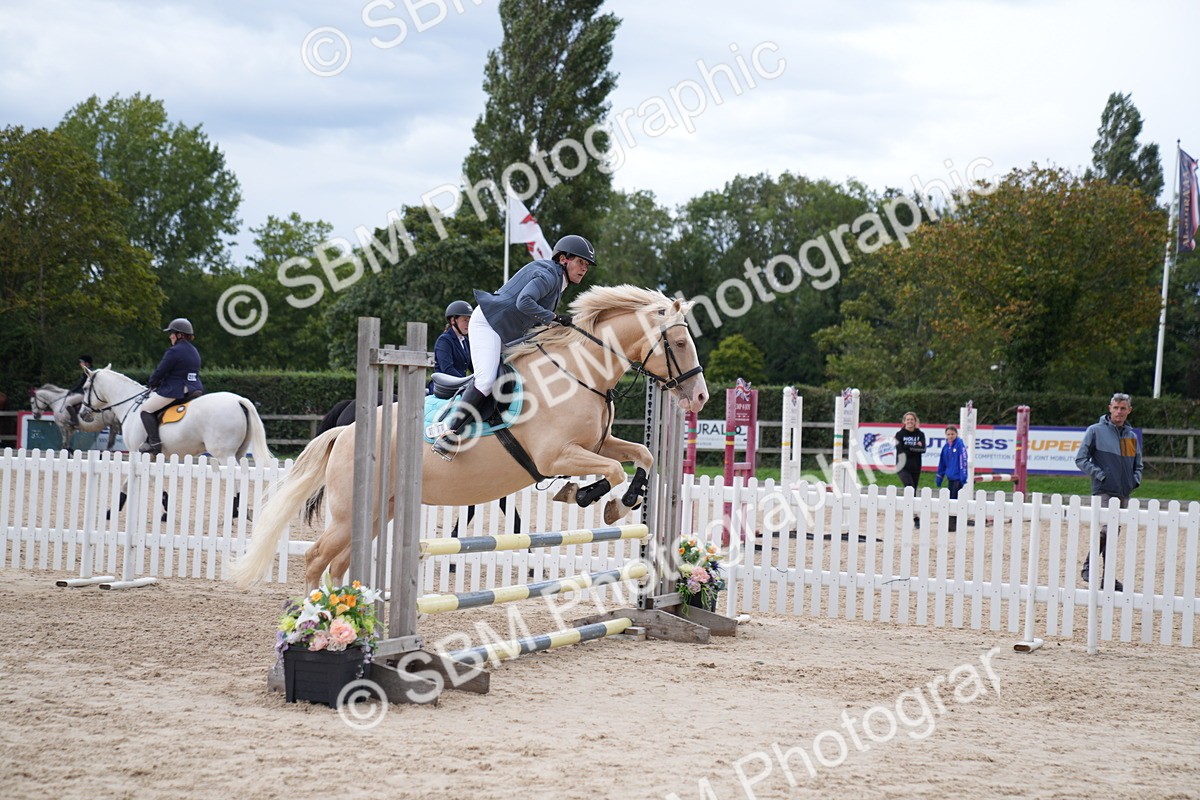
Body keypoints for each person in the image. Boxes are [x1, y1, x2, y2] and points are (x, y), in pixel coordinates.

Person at [432, 234, 596, 460]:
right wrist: (555, 317)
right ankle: (450, 432)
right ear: (563, 259)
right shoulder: (549, 275)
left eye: (587, 265)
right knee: (486, 380)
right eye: (580, 262)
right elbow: (524, 301)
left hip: (507, 329)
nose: (584, 268)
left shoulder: (557, 280)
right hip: (489, 323)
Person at [1074, 392, 1142, 591]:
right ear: (1110, 408)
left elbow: (1138, 465)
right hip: (1103, 490)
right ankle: (1089, 565)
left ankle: (1108, 578)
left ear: (1129, 410)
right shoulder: (1095, 431)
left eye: (1123, 408)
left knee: (1113, 534)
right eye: (1116, 408)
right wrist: (1100, 475)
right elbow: (1081, 459)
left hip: (1123, 492)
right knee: (1106, 530)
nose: (1119, 412)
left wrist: (1134, 481)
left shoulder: (1131, 436)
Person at [139, 318, 204, 455]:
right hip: (195, 389)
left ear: (179, 335)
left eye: (172, 333)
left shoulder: (174, 351)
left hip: (177, 390)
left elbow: (160, 371)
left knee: (145, 409)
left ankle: (154, 444)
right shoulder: (194, 351)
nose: (170, 336)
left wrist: (152, 383)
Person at [428, 300, 473, 394]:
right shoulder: (444, 341)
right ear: (453, 320)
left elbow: (473, 366)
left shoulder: (465, 341)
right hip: (444, 387)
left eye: (469, 320)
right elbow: (447, 369)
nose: (468, 324)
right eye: (465, 320)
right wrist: (467, 383)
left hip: (460, 386)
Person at [894, 411, 927, 528]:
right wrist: (914, 447)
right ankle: (915, 517)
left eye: (911, 419)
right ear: (904, 422)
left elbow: (923, 450)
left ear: (915, 421)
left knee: (913, 492)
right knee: (909, 488)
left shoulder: (920, 434)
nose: (909, 421)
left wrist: (909, 447)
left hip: (915, 467)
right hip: (902, 467)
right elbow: (901, 451)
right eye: (907, 419)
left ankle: (913, 516)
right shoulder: (899, 434)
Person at [935, 424, 968, 531]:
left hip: (958, 477)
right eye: (948, 434)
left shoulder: (960, 445)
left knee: (955, 500)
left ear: (956, 434)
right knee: (950, 500)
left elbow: (963, 461)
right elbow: (942, 463)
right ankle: (951, 523)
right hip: (950, 477)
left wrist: (963, 477)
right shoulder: (946, 447)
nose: (950, 436)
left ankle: (953, 524)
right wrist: (939, 476)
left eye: (952, 434)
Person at [65, 355, 93, 426]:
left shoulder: (88, 372)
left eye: (82, 362)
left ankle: (75, 421)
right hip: (84, 393)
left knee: (67, 403)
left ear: (87, 363)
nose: (80, 364)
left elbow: (80, 385)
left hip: (85, 394)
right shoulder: (86, 371)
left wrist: (71, 391)